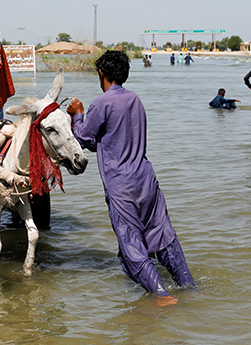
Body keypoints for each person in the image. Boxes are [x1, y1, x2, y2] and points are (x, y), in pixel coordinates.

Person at [66, 50, 195, 306]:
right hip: (146, 179)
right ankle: (189, 287)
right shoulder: (135, 99)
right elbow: (108, 138)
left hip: (121, 184)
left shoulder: (102, 102)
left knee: (130, 246)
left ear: (101, 74)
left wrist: (77, 114)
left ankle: (162, 295)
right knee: (164, 236)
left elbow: (82, 138)